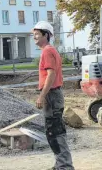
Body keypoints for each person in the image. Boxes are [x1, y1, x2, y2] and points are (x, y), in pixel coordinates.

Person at [32, 21, 74, 170]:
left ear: (46, 35)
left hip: (51, 95)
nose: (34, 37)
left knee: (55, 131)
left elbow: (51, 74)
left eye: (37, 34)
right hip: (53, 95)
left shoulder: (47, 51)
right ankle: (61, 164)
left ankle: (65, 166)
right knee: (53, 131)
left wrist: (42, 96)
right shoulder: (50, 50)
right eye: (34, 34)